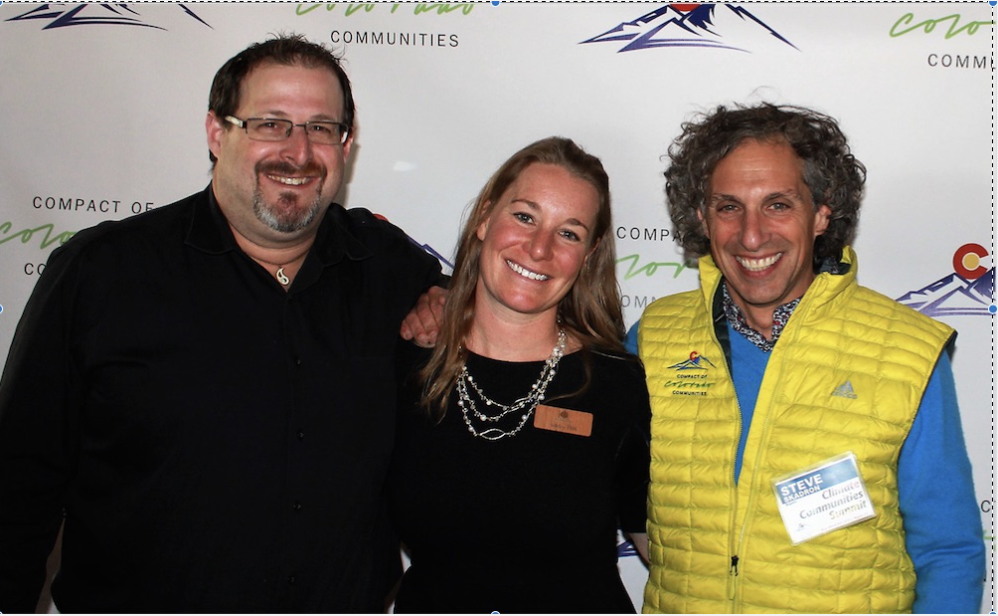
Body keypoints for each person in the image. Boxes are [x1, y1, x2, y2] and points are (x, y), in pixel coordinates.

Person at [0, 34, 442, 613]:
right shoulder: (102, 273)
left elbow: (500, 305)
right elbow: (17, 483)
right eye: (270, 124)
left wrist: (446, 300)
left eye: (320, 127)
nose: (298, 152)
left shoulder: (388, 267)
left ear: (345, 143)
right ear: (216, 131)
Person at [629, 103, 985, 613]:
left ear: (821, 213)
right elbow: (618, 497)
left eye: (777, 205)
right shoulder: (652, 338)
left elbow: (947, 552)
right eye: (728, 207)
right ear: (702, 217)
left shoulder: (908, 352)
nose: (752, 235)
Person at [388, 137, 651, 613]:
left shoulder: (618, 385)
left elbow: (667, 549)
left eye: (568, 233)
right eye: (525, 217)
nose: (539, 248)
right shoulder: (405, 367)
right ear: (485, 217)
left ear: (589, 254)